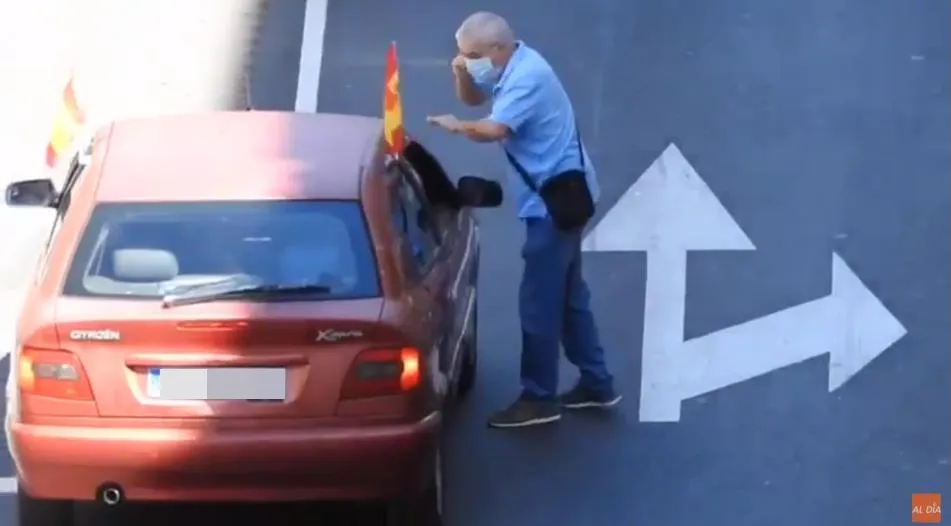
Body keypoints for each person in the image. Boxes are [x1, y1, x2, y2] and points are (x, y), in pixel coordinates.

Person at [427, 11, 620, 429]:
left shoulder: (528, 77)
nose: (468, 62)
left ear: (498, 49)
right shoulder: (508, 64)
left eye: (472, 56)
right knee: (569, 299)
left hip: (552, 206)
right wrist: (460, 73)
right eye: (463, 55)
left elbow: (492, 128)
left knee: (538, 304)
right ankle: (597, 382)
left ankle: (538, 397)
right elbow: (474, 98)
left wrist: (457, 127)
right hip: (558, 196)